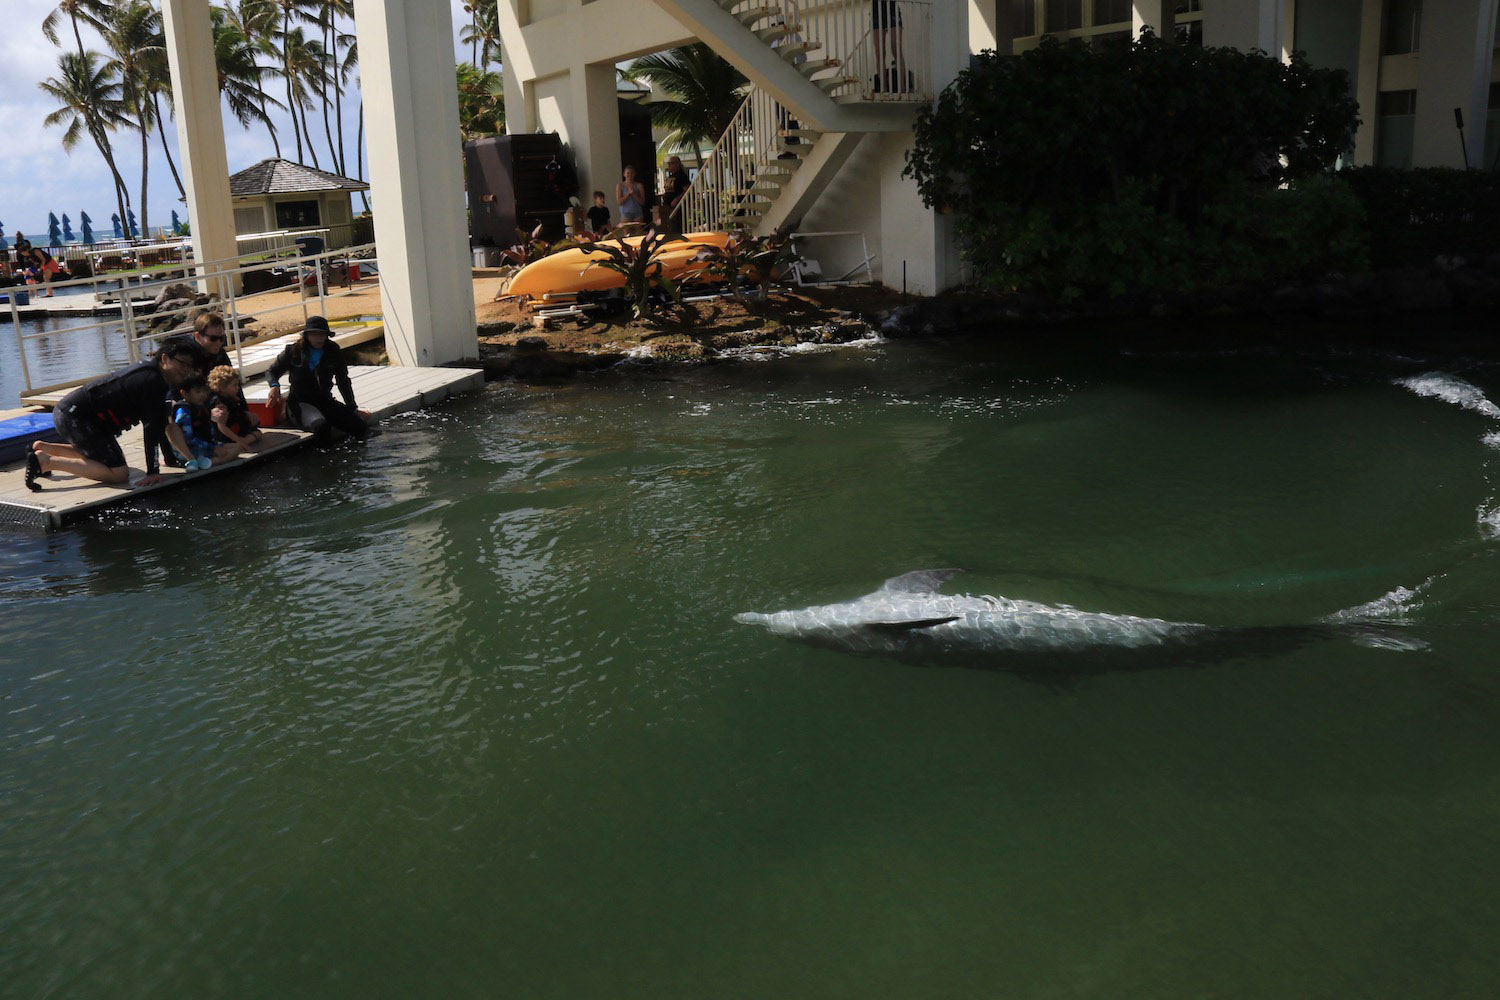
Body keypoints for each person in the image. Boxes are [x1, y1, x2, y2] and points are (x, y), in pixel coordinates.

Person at [25, 341, 201, 490]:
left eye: (190, 366)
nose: (187, 370)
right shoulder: (152, 381)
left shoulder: (157, 377)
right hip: (76, 417)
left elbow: (160, 423)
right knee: (119, 473)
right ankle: (46, 461)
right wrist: (153, 472)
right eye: (182, 364)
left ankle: (44, 448)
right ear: (165, 359)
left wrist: (169, 459)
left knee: (105, 458)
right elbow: (151, 429)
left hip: (77, 416)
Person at [265, 315, 368, 442]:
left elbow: (343, 380)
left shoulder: (333, 350)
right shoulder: (293, 351)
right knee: (321, 426)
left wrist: (352, 407)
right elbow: (271, 371)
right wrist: (274, 386)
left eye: (322, 334)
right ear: (307, 335)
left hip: (324, 400)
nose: (319, 338)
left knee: (359, 426)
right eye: (314, 334)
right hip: (301, 403)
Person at [170, 375, 241, 471]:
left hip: (204, 446)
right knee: (228, 452)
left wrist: (216, 445)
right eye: (198, 392)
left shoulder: (201, 407)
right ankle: (207, 461)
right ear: (184, 393)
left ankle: (207, 461)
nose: (203, 395)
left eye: (204, 391)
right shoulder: (183, 411)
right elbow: (188, 438)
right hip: (189, 450)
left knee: (236, 447)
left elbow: (209, 433)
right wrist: (213, 448)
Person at [207, 365, 261, 449]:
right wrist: (239, 440)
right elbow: (222, 427)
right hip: (225, 435)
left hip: (235, 427)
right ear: (223, 388)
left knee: (257, 432)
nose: (238, 388)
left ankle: (240, 441)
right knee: (255, 434)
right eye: (234, 385)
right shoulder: (220, 404)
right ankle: (239, 443)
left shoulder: (230, 397)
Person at [872, 0, 907, 94]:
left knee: (895, 49)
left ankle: (902, 88)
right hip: (876, 10)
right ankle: (883, 88)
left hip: (892, 9)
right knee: (879, 52)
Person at [661, 156, 689, 233]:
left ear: (677, 164)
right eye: (668, 164)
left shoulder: (682, 176)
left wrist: (677, 199)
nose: (669, 166)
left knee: (677, 227)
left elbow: (687, 190)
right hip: (668, 206)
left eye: (671, 164)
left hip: (678, 207)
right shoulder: (670, 176)